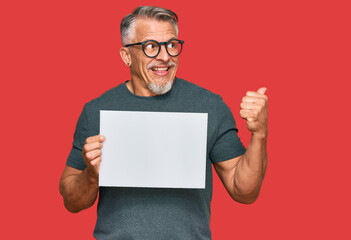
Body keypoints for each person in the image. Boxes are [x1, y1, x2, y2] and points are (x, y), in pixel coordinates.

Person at [59, 6, 268, 240]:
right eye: (151, 46)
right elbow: (72, 202)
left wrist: (259, 134)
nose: (165, 56)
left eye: (171, 45)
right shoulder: (96, 110)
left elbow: (244, 192)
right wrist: (91, 174)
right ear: (126, 55)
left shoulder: (210, 105)